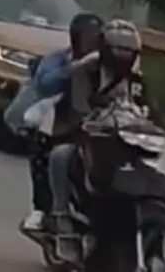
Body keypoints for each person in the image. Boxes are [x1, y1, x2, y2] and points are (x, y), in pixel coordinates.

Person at [45, 18, 151, 263]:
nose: (123, 58)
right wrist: (95, 120)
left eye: (129, 52)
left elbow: (152, 110)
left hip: (123, 140)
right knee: (61, 156)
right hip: (81, 134)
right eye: (118, 51)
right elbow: (79, 109)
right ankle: (61, 217)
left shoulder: (136, 80)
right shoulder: (85, 71)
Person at [17, 13, 104, 233]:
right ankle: (45, 211)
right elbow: (45, 84)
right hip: (66, 126)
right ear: (76, 38)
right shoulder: (60, 59)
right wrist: (77, 66)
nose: (93, 41)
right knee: (46, 151)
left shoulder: (110, 65)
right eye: (89, 36)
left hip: (102, 128)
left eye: (97, 36)